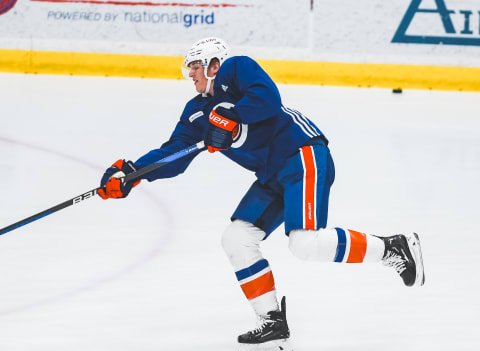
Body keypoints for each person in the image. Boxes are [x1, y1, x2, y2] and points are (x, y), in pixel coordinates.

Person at [96, 37, 425, 350]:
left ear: (214, 63)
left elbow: (268, 98)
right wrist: (131, 173)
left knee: (304, 244)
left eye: (195, 65)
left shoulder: (236, 69)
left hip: (301, 153)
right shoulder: (195, 112)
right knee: (235, 238)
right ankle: (271, 321)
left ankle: (392, 247)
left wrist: (233, 117)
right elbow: (173, 155)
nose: (191, 73)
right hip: (271, 176)